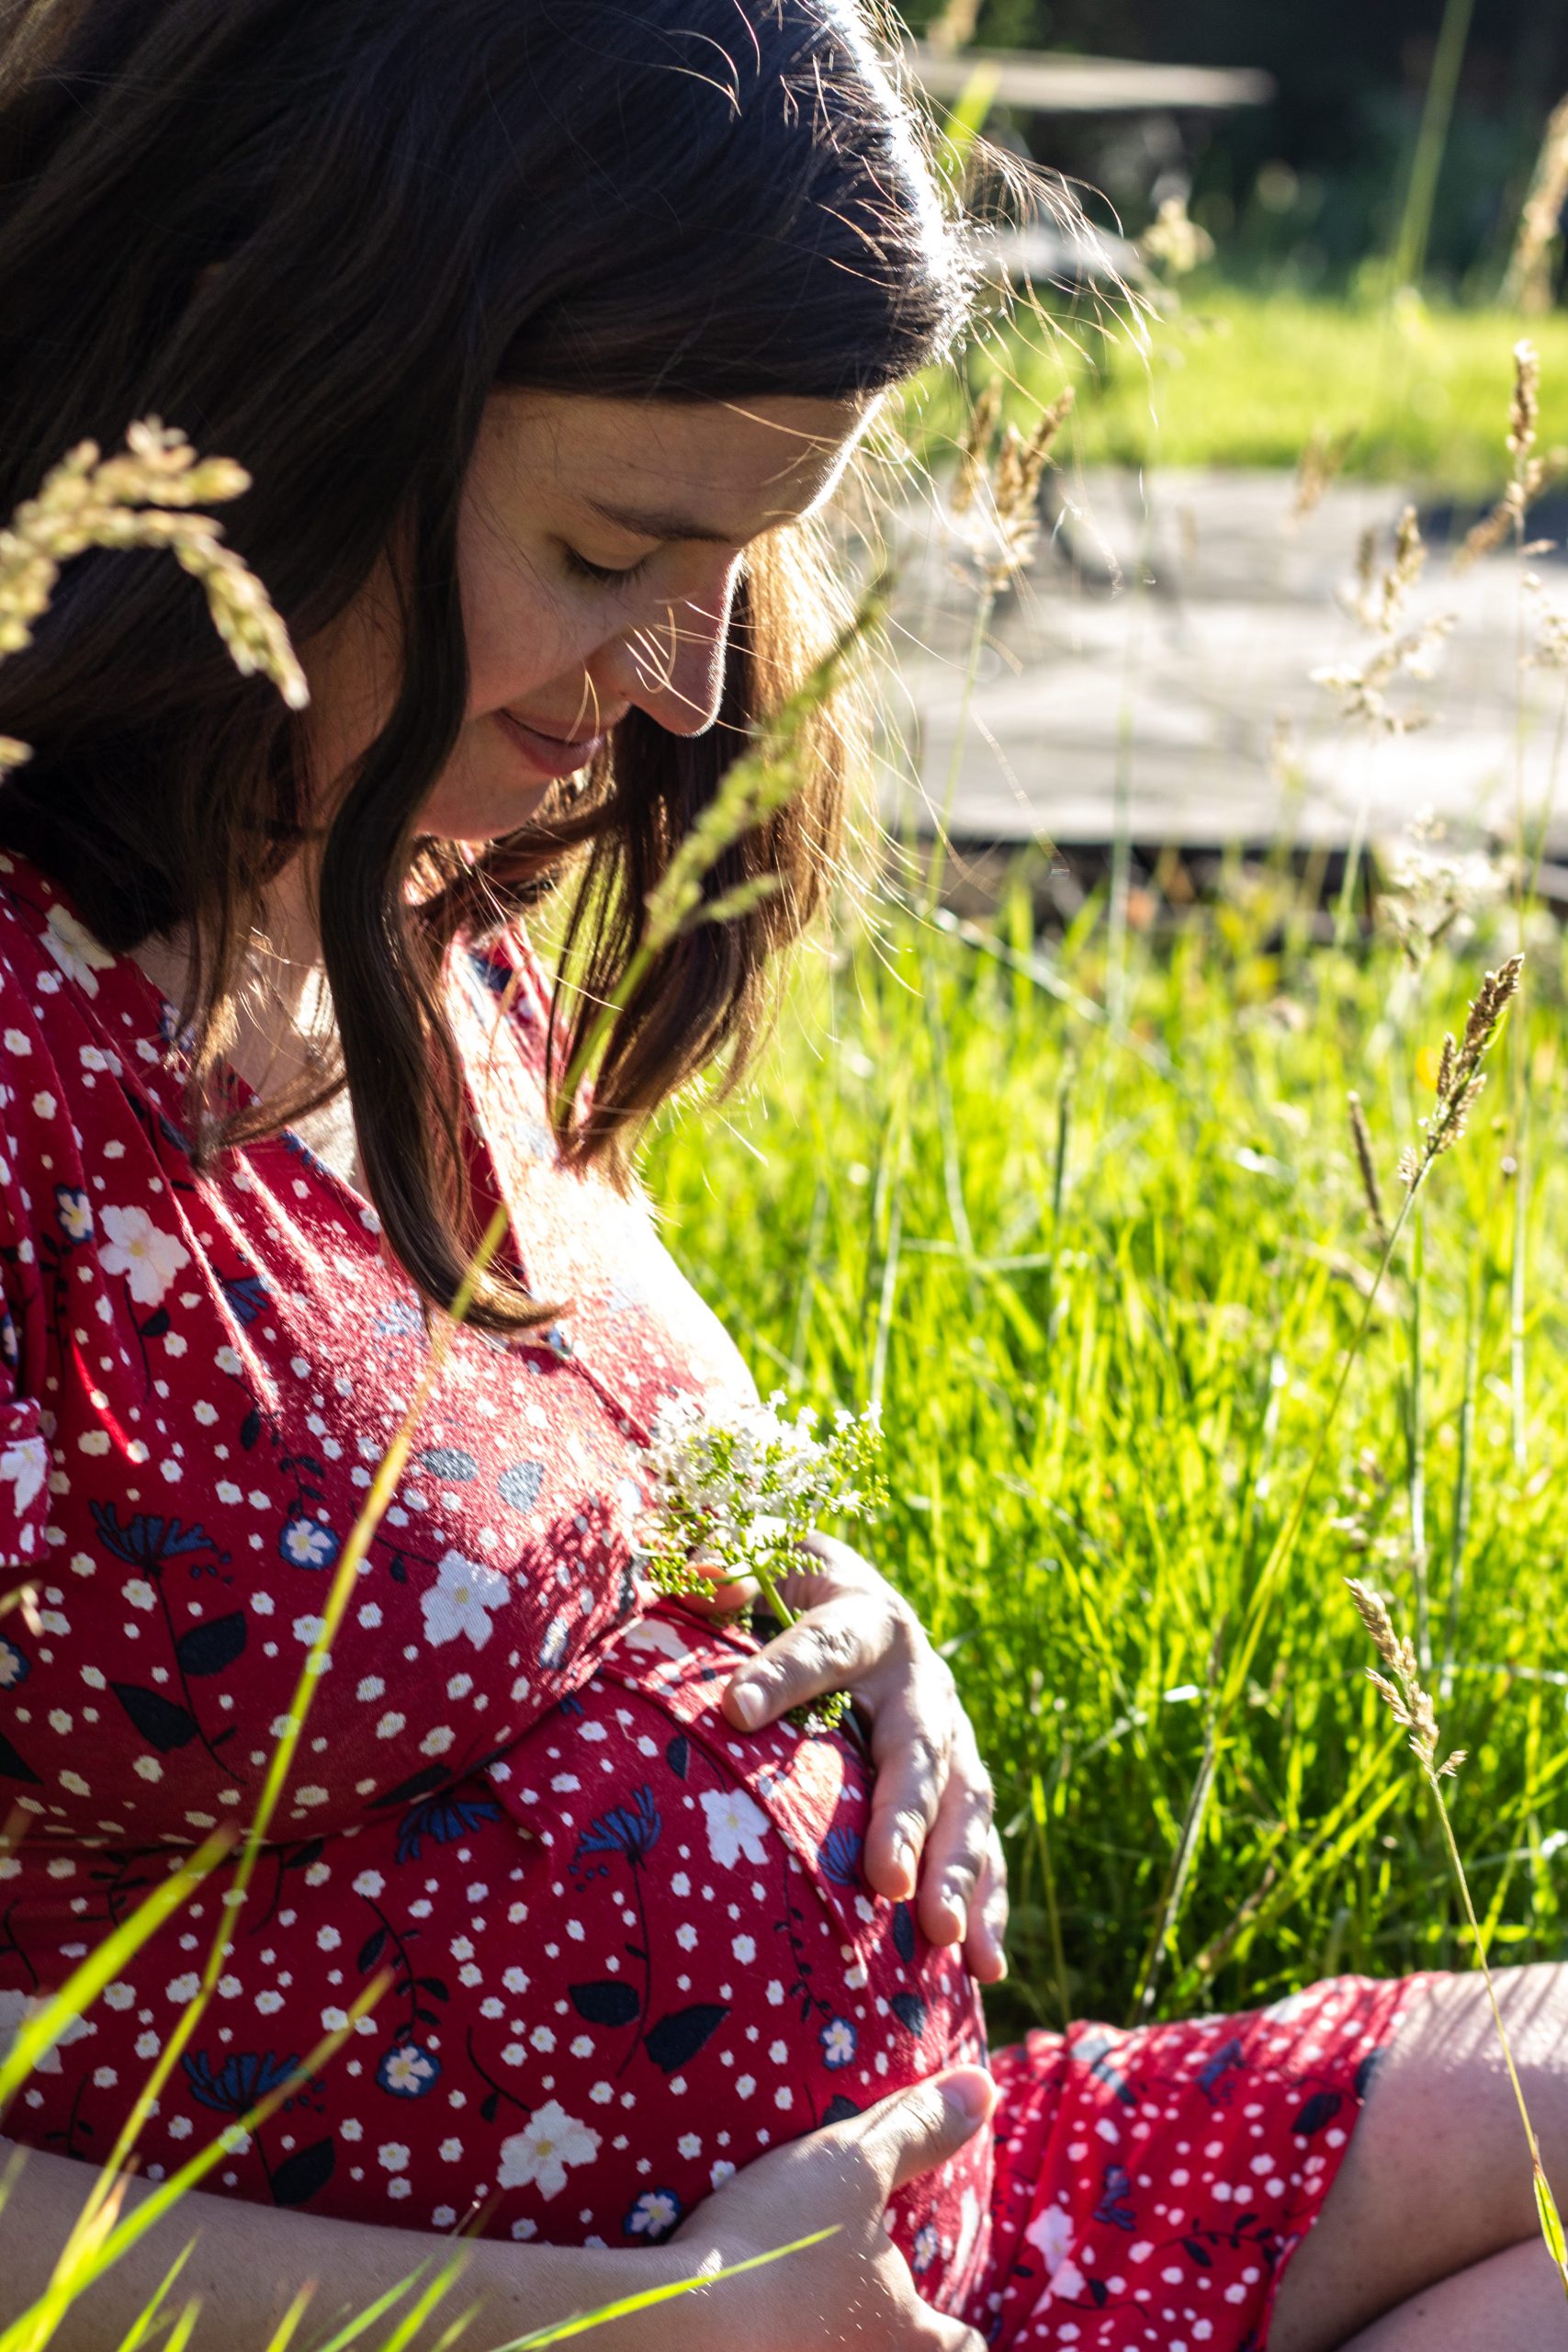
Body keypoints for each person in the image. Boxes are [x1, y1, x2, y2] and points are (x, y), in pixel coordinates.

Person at [0, 4, 1562, 2347]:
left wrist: (801, 1573)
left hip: (906, 2235)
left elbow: (564, 1411)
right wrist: (596, 2331)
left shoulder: (403, 896)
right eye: (617, 544)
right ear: (284, 394)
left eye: (749, 553)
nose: (691, 672)